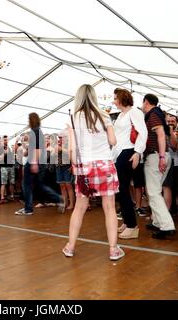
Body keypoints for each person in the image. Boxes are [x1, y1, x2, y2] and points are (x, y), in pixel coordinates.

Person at [62, 84, 124, 261]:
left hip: (85, 167)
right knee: (109, 207)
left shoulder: (74, 118)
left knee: (79, 208)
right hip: (105, 164)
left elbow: (73, 153)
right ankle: (113, 249)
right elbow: (113, 140)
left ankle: (70, 247)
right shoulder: (104, 116)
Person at [113, 88, 148, 240]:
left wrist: (137, 152)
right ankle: (128, 221)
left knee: (123, 189)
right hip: (119, 153)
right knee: (120, 189)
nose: (113, 101)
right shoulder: (121, 115)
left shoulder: (135, 112)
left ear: (121, 99)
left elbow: (143, 132)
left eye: (115, 98)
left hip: (128, 152)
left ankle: (133, 225)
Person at [15, 113, 64, 215]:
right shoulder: (38, 132)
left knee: (27, 185)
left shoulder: (35, 132)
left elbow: (37, 149)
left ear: (30, 120)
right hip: (40, 162)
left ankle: (28, 209)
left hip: (34, 161)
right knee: (39, 185)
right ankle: (58, 198)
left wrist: (33, 163)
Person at [142, 94, 176, 239]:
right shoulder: (159, 114)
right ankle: (157, 221)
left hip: (156, 156)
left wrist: (161, 157)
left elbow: (161, 135)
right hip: (162, 155)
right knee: (155, 191)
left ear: (146, 102)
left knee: (153, 192)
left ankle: (167, 226)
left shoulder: (153, 115)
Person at [55, 130, 75, 211]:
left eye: (61, 137)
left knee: (68, 185)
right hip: (58, 167)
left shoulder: (69, 144)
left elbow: (71, 154)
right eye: (59, 137)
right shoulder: (57, 144)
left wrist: (61, 148)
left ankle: (72, 204)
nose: (59, 139)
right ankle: (64, 203)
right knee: (62, 186)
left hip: (67, 166)